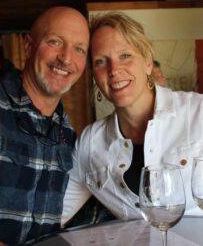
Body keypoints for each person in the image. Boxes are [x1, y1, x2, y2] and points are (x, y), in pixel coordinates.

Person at [0, 6, 90, 245]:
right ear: (28, 46)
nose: (66, 58)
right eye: (55, 41)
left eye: (79, 49)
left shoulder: (68, 136)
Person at [62, 12, 203, 226]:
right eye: (101, 61)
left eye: (125, 56)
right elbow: (55, 214)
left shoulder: (198, 111)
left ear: (147, 61)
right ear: (93, 75)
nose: (114, 70)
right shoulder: (91, 144)